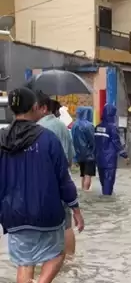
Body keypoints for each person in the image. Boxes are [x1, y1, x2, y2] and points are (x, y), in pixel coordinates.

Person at [0, 87, 84, 283]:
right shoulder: (48, 139)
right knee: (57, 254)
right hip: (47, 211)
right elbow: (63, 179)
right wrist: (75, 209)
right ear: (36, 107)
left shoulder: (2, 139)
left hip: (13, 214)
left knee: (24, 262)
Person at [36, 92, 77, 257]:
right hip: (62, 180)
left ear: (43, 108)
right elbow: (70, 157)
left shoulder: (38, 128)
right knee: (66, 224)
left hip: (41, 183)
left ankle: (46, 261)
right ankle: (71, 260)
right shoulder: (63, 127)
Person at [95, 104, 128, 196]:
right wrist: (125, 155)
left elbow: (95, 144)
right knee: (108, 184)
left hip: (99, 160)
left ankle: (103, 201)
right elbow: (116, 143)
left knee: (103, 183)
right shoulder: (112, 128)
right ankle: (107, 202)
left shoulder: (97, 127)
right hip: (109, 161)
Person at [71, 106, 96, 191]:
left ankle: (83, 190)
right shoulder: (89, 126)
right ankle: (86, 191)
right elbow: (92, 140)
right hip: (89, 154)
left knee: (83, 174)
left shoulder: (74, 125)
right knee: (88, 175)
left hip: (78, 154)